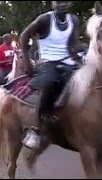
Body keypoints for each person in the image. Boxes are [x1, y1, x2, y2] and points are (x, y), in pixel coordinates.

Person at [20, 1, 87, 150]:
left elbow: (73, 44)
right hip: (48, 61)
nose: (63, 4)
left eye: (66, 1)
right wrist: (27, 61)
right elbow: (24, 36)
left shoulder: (73, 20)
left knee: (90, 79)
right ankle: (36, 129)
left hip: (69, 61)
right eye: (59, 1)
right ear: (53, 4)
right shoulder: (45, 20)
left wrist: (85, 51)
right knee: (49, 82)